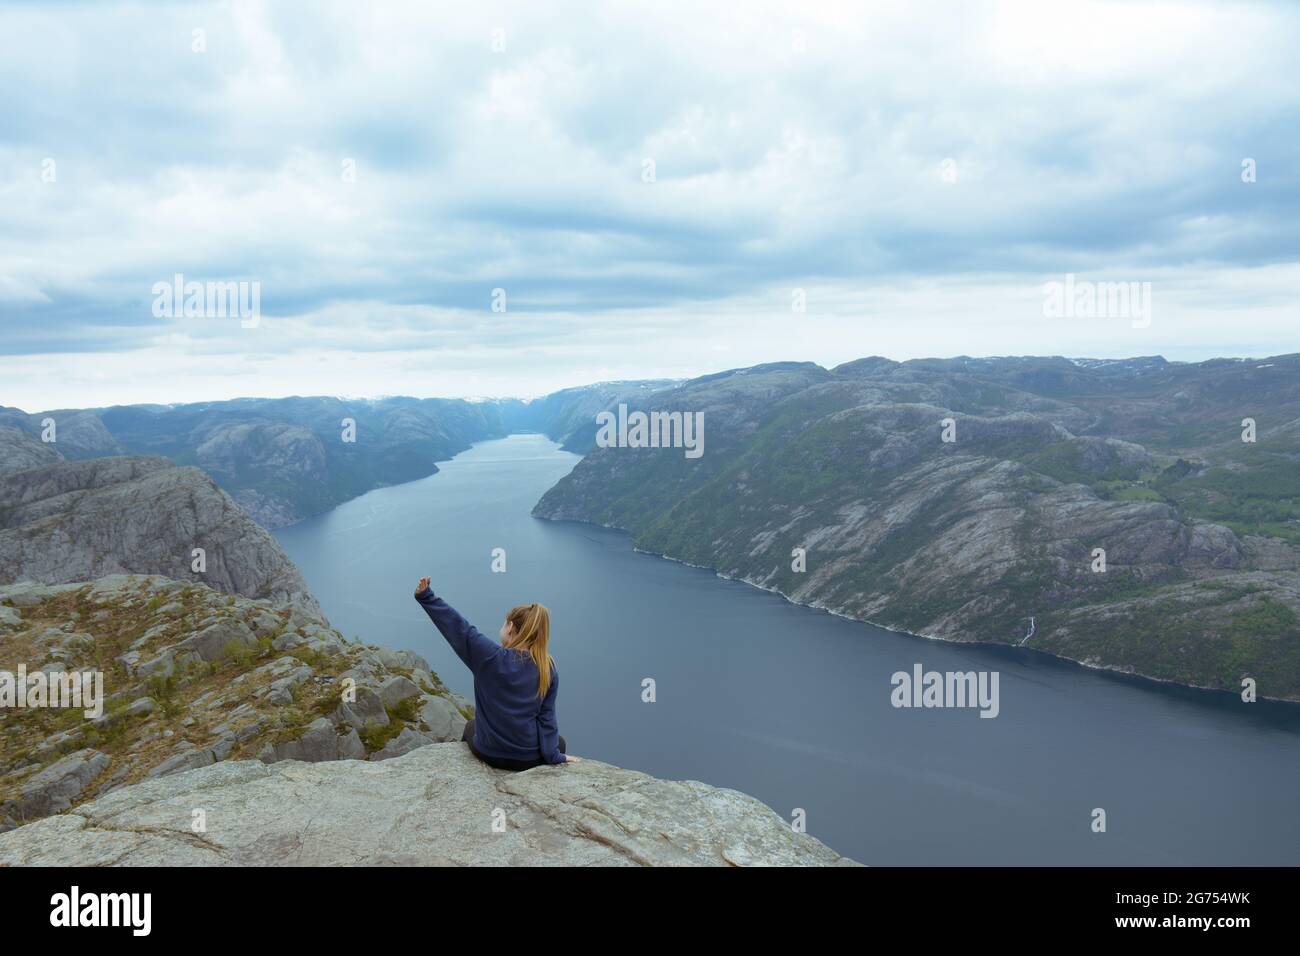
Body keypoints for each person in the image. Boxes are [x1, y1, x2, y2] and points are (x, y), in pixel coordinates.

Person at [413, 577, 579, 770]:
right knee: (559, 742)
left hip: (490, 753)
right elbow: (547, 718)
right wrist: (554, 756)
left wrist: (426, 597)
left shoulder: (489, 657)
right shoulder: (547, 667)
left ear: (510, 627)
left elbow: (459, 628)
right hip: (528, 759)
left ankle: (464, 769)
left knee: (470, 727)